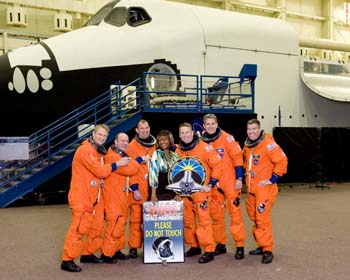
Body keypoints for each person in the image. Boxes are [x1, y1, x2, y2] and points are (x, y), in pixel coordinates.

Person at [60, 124, 131, 273]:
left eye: (104, 136)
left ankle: (87, 254)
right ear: (93, 133)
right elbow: (99, 171)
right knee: (79, 229)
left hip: (95, 197)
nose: (102, 138)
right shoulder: (86, 150)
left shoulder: (96, 152)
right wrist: (117, 164)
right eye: (99, 135)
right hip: (82, 197)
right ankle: (67, 260)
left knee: (97, 227)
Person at [174, 122, 223, 264]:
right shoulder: (179, 151)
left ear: (193, 133)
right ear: (179, 135)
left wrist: (211, 184)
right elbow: (177, 172)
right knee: (188, 220)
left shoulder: (204, 147)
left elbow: (217, 165)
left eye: (187, 132)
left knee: (204, 221)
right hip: (185, 192)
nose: (185, 135)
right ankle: (194, 246)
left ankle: (209, 250)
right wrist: (178, 191)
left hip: (201, 191)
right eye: (182, 133)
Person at [201, 114, 246, 260]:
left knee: (235, 215)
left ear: (217, 123)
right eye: (207, 124)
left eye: (212, 123)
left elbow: (238, 157)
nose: (210, 126)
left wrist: (239, 178)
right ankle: (220, 244)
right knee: (216, 216)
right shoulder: (202, 142)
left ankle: (239, 246)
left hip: (229, 182)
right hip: (213, 184)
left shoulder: (227, 138)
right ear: (204, 125)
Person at [243, 119, 288, 264]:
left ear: (259, 129)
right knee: (254, 216)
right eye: (249, 129)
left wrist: (273, 179)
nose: (251, 132)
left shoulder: (268, 143)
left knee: (262, 218)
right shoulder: (248, 145)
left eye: (254, 129)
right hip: (251, 188)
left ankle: (268, 249)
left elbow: (282, 160)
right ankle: (261, 245)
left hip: (264, 189)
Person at [100, 133, 145, 263]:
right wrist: (138, 160)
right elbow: (129, 170)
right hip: (113, 197)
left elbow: (129, 173)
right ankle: (107, 254)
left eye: (127, 140)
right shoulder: (112, 157)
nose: (125, 143)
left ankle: (116, 249)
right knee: (113, 225)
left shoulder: (121, 157)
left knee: (120, 224)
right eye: (122, 140)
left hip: (121, 197)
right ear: (115, 142)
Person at [125, 119, 156, 258]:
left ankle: (152, 246)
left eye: (147, 127)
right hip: (138, 187)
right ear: (137, 130)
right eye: (142, 128)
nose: (145, 130)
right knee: (136, 220)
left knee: (154, 219)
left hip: (153, 186)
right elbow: (129, 169)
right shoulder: (131, 146)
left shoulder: (154, 144)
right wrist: (135, 188)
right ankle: (133, 247)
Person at [149, 130, 179, 202]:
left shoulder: (175, 156)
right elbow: (153, 175)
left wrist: (178, 194)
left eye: (164, 140)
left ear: (170, 140)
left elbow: (179, 176)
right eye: (160, 140)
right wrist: (153, 195)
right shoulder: (156, 154)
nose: (162, 142)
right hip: (160, 193)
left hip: (174, 193)